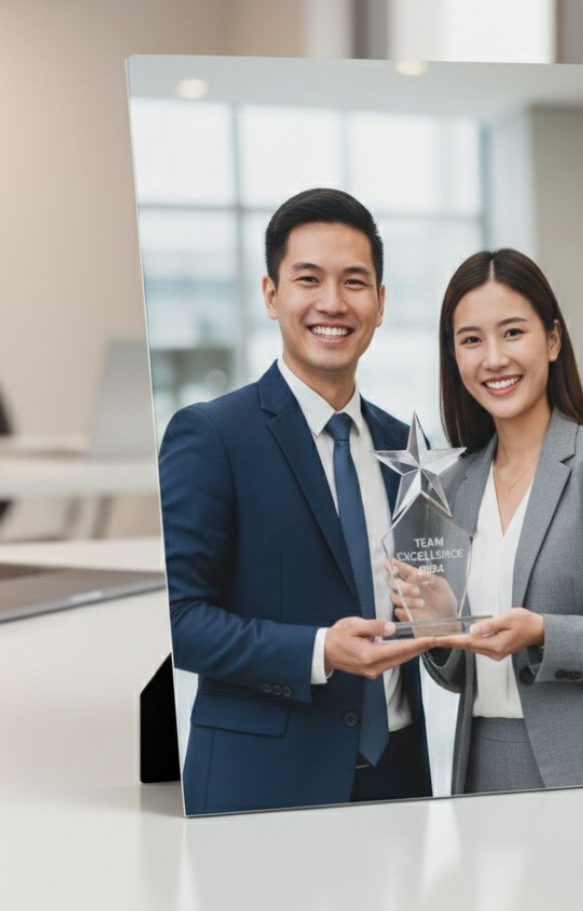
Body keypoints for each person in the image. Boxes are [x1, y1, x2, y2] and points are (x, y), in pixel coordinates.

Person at [159, 187, 436, 815]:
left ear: (382, 302)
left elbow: (426, 598)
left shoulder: (406, 445)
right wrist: (318, 651)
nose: (332, 303)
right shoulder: (210, 436)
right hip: (262, 784)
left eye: (355, 282)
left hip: (397, 780)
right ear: (271, 294)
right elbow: (179, 621)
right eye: (308, 279)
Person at [394, 248, 583, 795]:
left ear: (551, 341)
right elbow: (456, 674)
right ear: (454, 357)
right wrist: (442, 630)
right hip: (483, 769)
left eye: (512, 333)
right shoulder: (453, 485)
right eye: (471, 340)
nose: (493, 358)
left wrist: (546, 634)